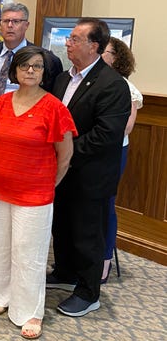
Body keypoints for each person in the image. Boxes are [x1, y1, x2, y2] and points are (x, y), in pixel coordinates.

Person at [0, 46, 76, 340]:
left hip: (35, 193)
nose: (31, 71)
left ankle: (30, 311)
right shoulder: (0, 103)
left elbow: (65, 155)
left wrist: (50, 185)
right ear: (15, 71)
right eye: (25, 66)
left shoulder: (54, 107)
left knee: (29, 254)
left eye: (37, 67)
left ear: (44, 72)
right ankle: (0, 294)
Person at [48, 18, 131, 317]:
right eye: (68, 38)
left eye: (74, 39)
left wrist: (64, 154)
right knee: (63, 226)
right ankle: (66, 273)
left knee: (87, 233)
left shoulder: (113, 85)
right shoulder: (61, 79)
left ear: (93, 46)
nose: (67, 43)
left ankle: (88, 292)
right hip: (63, 173)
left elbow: (105, 136)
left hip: (90, 174)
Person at [0, 2, 63, 265]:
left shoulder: (45, 58)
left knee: (23, 204)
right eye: (5, 21)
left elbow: (51, 101)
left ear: (26, 25)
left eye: (16, 21)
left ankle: (21, 253)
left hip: (27, 141)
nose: (10, 26)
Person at [101, 37, 143, 282]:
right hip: (90, 152)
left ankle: (104, 261)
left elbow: (126, 127)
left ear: (116, 57)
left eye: (103, 50)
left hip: (113, 152)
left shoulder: (126, 87)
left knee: (106, 205)